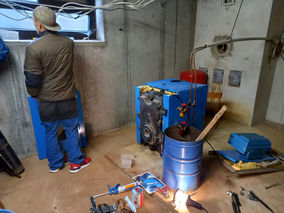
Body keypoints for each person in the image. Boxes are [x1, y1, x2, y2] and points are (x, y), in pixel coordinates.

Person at [24, 6, 91, 173]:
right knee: (71, 129)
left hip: (46, 100)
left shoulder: (33, 47)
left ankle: (55, 164)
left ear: (39, 25)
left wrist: (34, 94)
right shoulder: (68, 43)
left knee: (50, 131)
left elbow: (33, 78)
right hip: (67, 97)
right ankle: (76, 162)